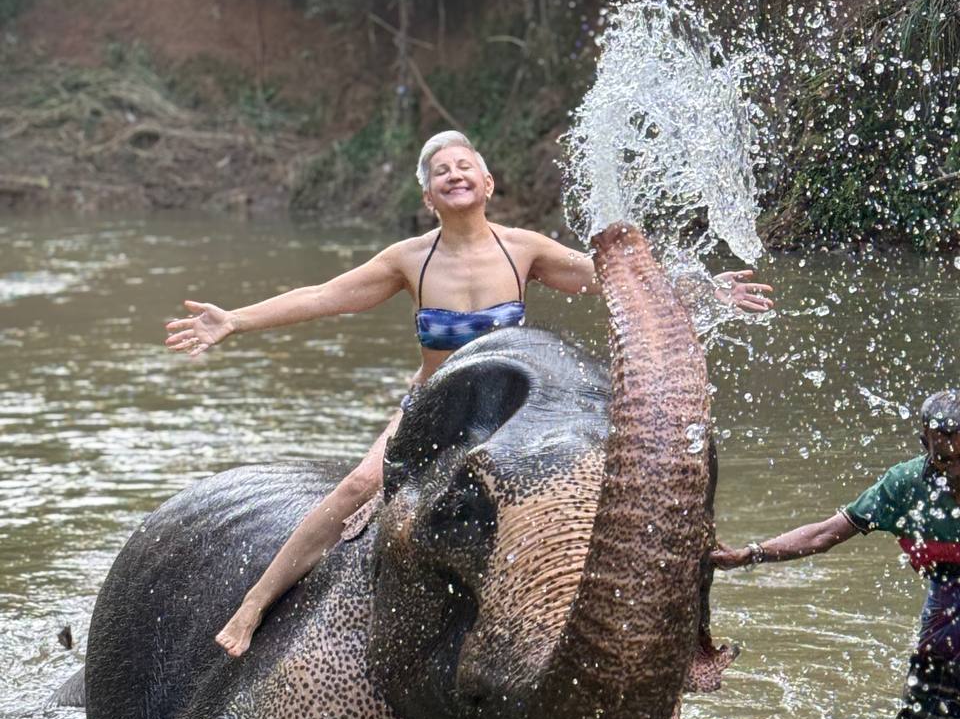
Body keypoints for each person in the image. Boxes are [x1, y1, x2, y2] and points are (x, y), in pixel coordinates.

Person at [166, 130, 774, 656]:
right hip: (434, 406)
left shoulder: (524, 248)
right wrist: (235, 320)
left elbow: (612, 281)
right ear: (428, 197)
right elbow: (325, 295)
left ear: (487, 182)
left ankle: (669, 633)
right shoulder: (407, 260)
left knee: (608, 489)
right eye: (440, 171)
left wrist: (702, 289)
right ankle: (254, 604)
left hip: (514, 413)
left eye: (464, 167)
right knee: (356, 486)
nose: (453, 175)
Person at [713, 390, 960, 719]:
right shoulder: (905, 486)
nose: (953, 472)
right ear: (926, 445)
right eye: (944, 459)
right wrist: (751, 554)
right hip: (946, 596)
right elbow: (826, 534)